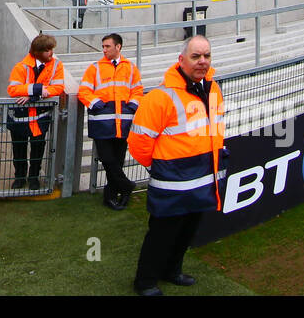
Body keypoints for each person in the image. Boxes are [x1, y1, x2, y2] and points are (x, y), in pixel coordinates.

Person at [127, 35, 226, 296]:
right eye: (196, 56)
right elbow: (138, 143)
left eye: (206, 56)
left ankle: (172, 271)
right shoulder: (160, 96)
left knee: (187, 233)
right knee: (161, 235)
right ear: (181, 60)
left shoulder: (212, 89)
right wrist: (163, 166)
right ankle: (146, 281)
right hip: (172, 183)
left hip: (203, 179)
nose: (202, 62)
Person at [78, 33, 143, 210]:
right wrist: (97, 104)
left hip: (123, 123)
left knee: (118, 161)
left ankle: (112, 196)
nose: (104, 49)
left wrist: (132, 106)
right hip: (102, 123)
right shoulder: (95, 67)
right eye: (103, 46)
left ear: (118, 47)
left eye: (107, 46)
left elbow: (137, 90)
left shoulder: (130, 67)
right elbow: (83, 91)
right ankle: (127, 186)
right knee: (107, 160)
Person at [6, 34, 65, 191]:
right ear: (38, 52)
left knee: (38, 148)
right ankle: (19, 177)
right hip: (19, 117)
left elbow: (58, 88)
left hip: (40, 117)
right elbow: (13, 89)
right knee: (19, 148)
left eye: (51, 49)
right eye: (48, 50)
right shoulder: (21, 66)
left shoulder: (56, 65)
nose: (51, 53)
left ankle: (33, 178)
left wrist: (32, 93)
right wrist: (39, 89)